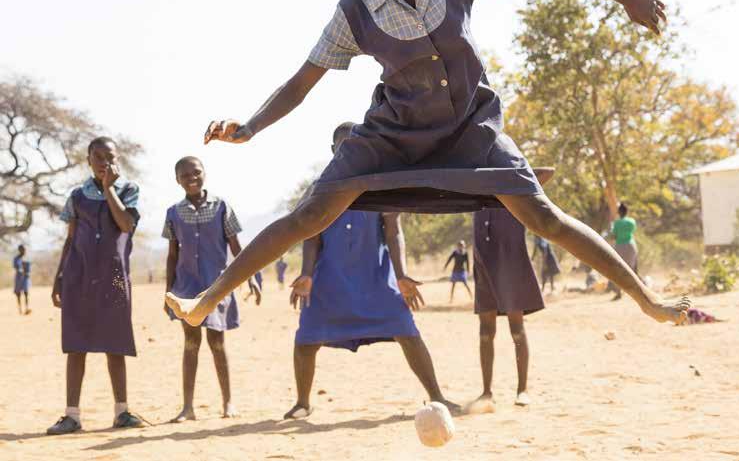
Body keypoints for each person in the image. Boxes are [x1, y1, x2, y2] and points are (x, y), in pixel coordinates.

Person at [167, 0, 689, 333]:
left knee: (541, 214)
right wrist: (251, 127)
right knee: (310, 215)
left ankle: (647, 300)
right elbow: (304, 80)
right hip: (393, 135)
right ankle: (206, 300)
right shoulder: (354, 10)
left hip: (471, 128)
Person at [285, 123, 456, 419]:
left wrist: (401, 275)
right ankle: (303, 402)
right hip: (330, 281)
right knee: (306, 339)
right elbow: (310, 235)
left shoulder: (381, 185)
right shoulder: (318, 189)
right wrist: (307, 274)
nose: (350, 151)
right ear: (333, 151)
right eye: (343, 146)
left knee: (407, 330)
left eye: (357, 145)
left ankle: (438, 396)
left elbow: (393, 232)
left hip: (375, 279)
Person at [47, 136, 143, 435]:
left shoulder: (128, 190)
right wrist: (59, 276)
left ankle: (122, 412)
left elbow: (126, 225)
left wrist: (108, 189)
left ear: (118, 160)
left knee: (116, 343)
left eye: (110, 157)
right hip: (79, 276)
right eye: (97, 157)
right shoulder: (77, 196)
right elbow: (71, 237)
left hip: (115, 277)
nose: (104, 162)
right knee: (76, 344)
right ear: (88, 160)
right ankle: (72, 415)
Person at [164, 156, 257, 422]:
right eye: (184, 175)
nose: (191, 178)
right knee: (191, 343)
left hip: (217, 285)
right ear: (177, 180)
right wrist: (168, 290)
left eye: (196, 172)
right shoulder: (173, 213)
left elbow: (236, 247)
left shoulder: (221, 207)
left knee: (217, 342)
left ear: (205, 173)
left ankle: (228, 403)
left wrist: (249, 277)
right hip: (185, 288)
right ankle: (187, 407)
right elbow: (172, 255)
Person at [469, 167, 554, 412]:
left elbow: (548, 172)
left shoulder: (515, 189)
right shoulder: (474, 189)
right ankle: (486, 392)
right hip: (483, 261)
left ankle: (522, 389)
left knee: (517, 329)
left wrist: (509, 174)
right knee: (486, 332)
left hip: (511, 261)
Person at [607, 203, 638, 300]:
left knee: (618, 270)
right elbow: (632, 231)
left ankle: (619, 292)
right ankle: (635, 293)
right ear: (627, 212)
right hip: (631, 246)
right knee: (632, 270)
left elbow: (614, 236)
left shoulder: (616, 223)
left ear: (619, 212)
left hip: (620, 246)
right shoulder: (632, 221)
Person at [13, 244, 31, 315]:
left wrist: (27, 273)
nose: (24, 251)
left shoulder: (27, 258)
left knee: (26, 293)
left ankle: (27, 308)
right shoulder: (16, 258)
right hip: (18, 278)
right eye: (22, 249)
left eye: (24, 249)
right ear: (19, 250)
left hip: (25, 278)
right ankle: (20, 309)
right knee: (18, 294)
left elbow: (29, 269)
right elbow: (16, 267)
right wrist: (20, 270)